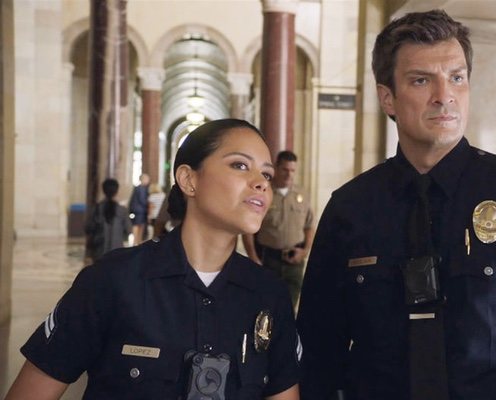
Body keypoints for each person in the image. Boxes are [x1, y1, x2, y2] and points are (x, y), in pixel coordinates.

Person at [297, 9, 496, 400]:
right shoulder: (350, 209)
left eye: (457, 78)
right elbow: (319, 350)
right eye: (421, 80)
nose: (444, 96)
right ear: (388, 98)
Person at [6, 119, 300, 400]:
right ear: (188, 179)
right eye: (240, 165)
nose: (261, 183)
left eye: (267, 174)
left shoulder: (269, 295)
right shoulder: (111, 281)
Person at [242, 151, 315, 310]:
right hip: (269, 260)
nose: (289, 174)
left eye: (292, 170)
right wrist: (253, 257)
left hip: (294, 261)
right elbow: (248, 229)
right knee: (266, 307)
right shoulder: (263, 193)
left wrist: (305, 251)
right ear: (276, 168)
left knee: (290, 308)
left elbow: (309, 226)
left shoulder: (302, 194)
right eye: (285, 170)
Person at [84, 178, 132, 264]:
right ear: (116, 191)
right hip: (117, 250)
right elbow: (128, 230)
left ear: (103, 190)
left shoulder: (97, 209)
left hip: (99, 251)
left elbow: (88, 228)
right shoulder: (122, 210)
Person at [128, 173, 150, 244]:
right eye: (147, 179)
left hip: (136, 210)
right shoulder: (141, 189)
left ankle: (136, 241)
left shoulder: (137, 188)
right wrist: (149, 204)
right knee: (138, 225)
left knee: (137, 225)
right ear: (143, 179)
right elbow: (142, 200)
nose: (148, 181)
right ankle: (137, 241)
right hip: (141, 210)